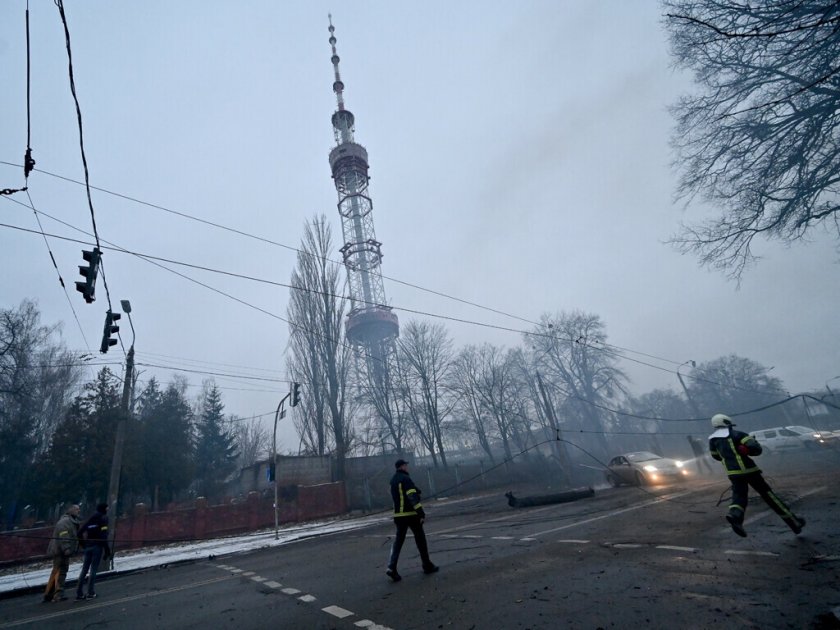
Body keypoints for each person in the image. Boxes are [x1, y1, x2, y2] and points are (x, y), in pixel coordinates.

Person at [708, 413, 806, 538]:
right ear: (728, 423)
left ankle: (735, 516)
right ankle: (794, 522)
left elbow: (715, 456)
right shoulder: (739, 434)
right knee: (769, 496)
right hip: (750, 471)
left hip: (733, 474)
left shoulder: (713, 440)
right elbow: (756, 449)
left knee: (739, 496)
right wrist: (748, 449)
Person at [386, 459, 438, 581]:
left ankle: (391, 567)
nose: (407, 467)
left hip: (398, 516)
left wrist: (415, 489)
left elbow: (400, 496)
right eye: (406, 465)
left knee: (398, 542)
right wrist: (421, 513)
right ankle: (427, 565)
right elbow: (411, 497)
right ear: (402, 467)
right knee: (420, 539)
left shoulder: (393, 480)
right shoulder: (406, 479)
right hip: (410, 515)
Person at [43, 504, 81, 602]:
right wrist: (67, 549)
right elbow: (64, 537)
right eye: (77, 509)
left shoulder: (70, 522)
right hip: (60, 552)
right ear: (70, 510)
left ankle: (50, 594)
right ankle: (57, 594)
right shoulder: (65, 522)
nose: (78, 511)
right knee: (60, 571)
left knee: (58, 571)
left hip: (62, 551)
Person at [76, 503, 111, 600]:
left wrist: (83, 544)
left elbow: (79, 533)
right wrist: (107, 550)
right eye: (107, 508)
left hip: (88, 546)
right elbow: (103, 536)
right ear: (104, 509)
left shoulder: (90, 519)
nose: (108, 509)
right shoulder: (103, 519)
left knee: (84, 570)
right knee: (93, 570)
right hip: (97, 546)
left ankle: (79, 594)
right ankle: (90, 592)